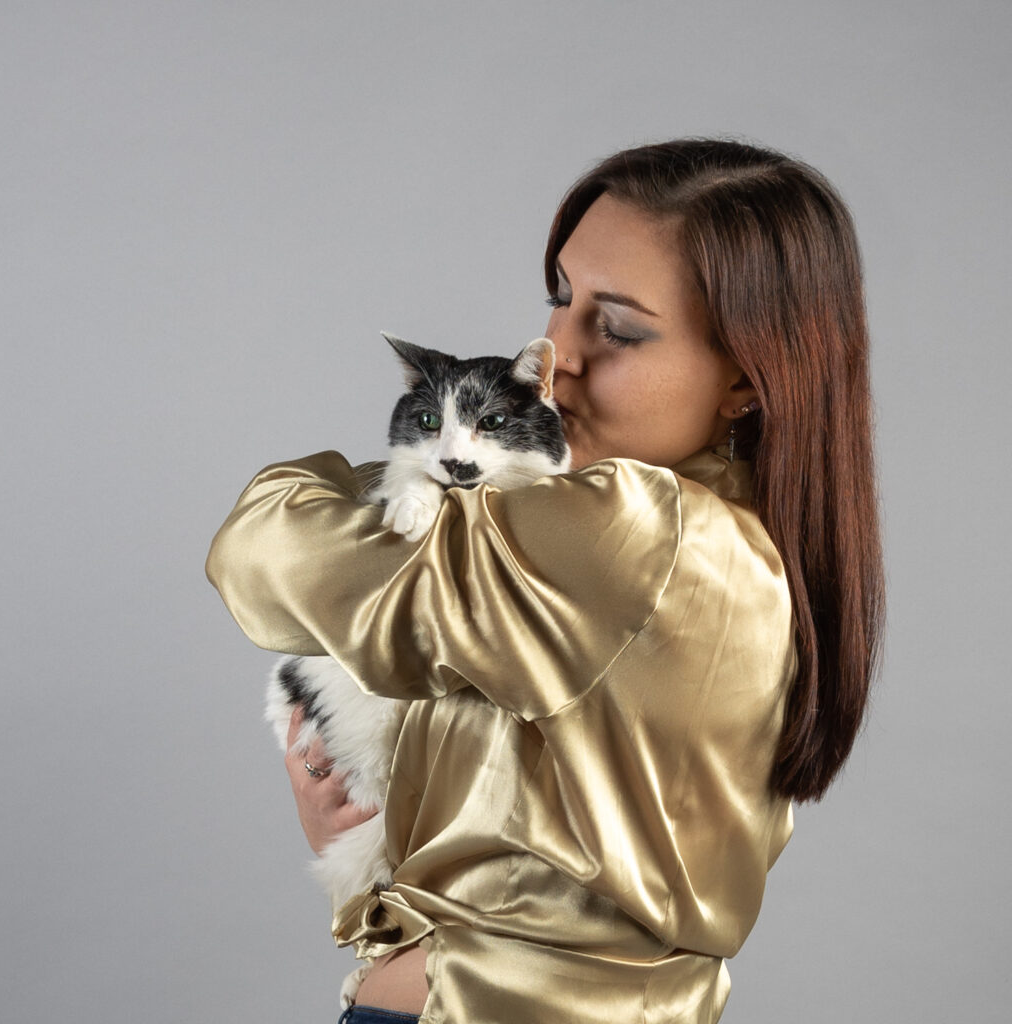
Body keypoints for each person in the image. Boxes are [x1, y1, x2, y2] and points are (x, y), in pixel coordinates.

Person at [206, 139, 884, 1024]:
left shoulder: (638, 531)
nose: (554, 355)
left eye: (620, 327)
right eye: (561, 298)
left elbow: (261, 553)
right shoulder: (728, 542)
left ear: (744, 381)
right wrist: (373, 869)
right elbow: (532, 876)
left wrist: (354, 489)